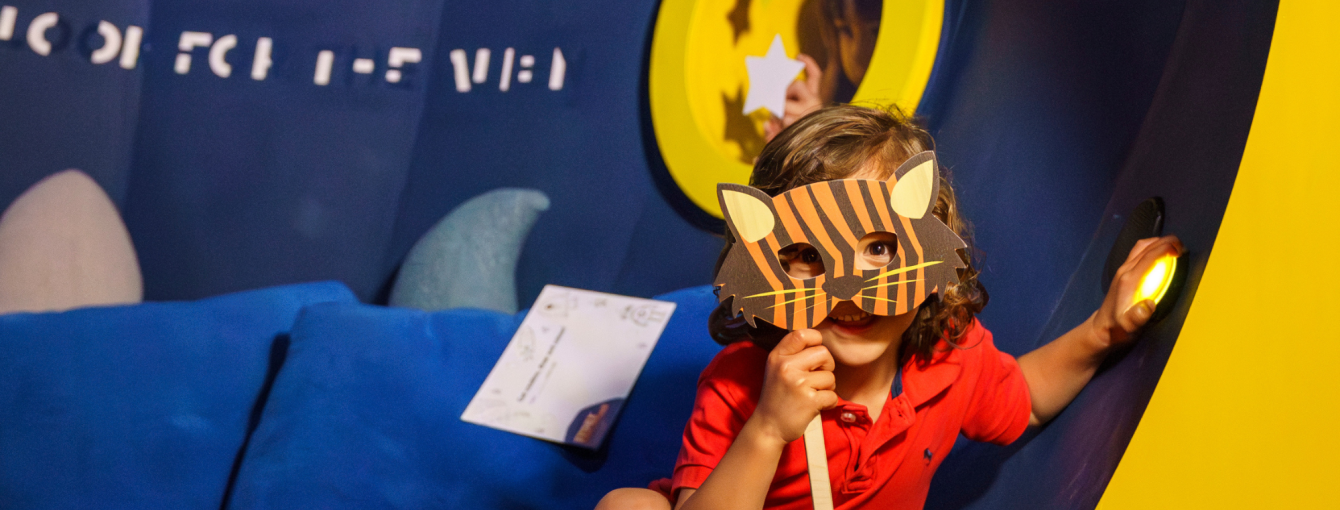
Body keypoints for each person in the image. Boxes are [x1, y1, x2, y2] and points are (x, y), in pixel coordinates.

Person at [597, 104, 1182, 510]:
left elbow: (1022, 402)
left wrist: (1105, 329)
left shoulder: (950, 355)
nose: (850, 289)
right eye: (806, 254)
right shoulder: (737, 389)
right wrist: (769, 429)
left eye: (879, 248)